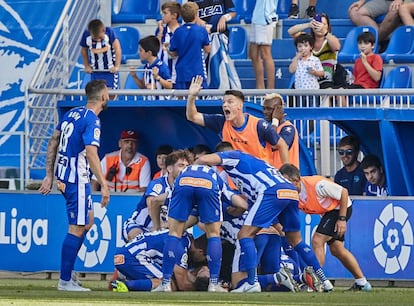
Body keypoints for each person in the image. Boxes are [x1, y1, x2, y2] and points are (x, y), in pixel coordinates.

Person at [195, 149, 333, 293]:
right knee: (296, 240)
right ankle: (324, 280)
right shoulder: (254, 168)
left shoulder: (234, 156)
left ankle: (252, 282)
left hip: (270, 192)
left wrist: (192, 170)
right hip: (290, 192)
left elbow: (204, 160)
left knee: (244, 235)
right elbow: (247, 206)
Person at [39, 80, 110, 291]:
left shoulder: (72, 113)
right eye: (108, 93)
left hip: (64, 175)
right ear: (103, 97)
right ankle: (64, 281)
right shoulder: (92, 121)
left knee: (87, 222)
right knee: (77, 227)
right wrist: (104, 185)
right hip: (76, 178)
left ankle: (68, 275)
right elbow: (91, 153)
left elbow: (53, 141)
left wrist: (49, 175)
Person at [279, 163, 373, 291]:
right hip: (329, 212)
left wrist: (342, 219)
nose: (283, 186)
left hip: (340, 209)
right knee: (337, 249)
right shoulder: (291, 193)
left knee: (317, 240)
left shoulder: (318, 185)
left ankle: (316, 281)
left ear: (296, 181)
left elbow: (344, 193)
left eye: (286, 182)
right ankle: (362, 283)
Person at [153, 164, 244, 292]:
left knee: (174, 234)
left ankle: (165, 283)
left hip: (184, 183)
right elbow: (241, 204)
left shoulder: (183, 175)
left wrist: (157, 226)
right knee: (213, 235)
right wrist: (236, 211)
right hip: (208, 185)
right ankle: (213, 284)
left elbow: (155, 201)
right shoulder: (214, 175)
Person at [186, 75, 289, 165]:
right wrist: (192, 96)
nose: (225, 105)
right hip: (233, 180)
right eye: (224, 102)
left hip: (257, 177)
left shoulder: (259, 125)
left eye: (230, 102)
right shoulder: (221, 122)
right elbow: (192, 116)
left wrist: (286, 173)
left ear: (240, 105)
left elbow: (282, 145)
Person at [122, 149, 194, 242]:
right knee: (137, 238)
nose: (185, 169)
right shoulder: (158, 184)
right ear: (169, 168)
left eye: (187, 166)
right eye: (181, 165)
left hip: (166, 229)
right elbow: (151, 202)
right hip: (140, 225)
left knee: (190, 244)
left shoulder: (187, 188)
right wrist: (160, 227)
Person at [111, 229, 209, 292]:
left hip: (125, 255)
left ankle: (123, 279)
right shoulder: (181, 247)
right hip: (132, 257)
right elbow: (182, 284)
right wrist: (203, 286)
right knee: (167, 284)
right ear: (200, 252)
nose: (201, 262)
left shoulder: (183, 237)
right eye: (204, 259)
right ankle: (125, 285)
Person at [288, 13, 342, 89]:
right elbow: (291, 31)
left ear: (328, 27)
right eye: (318, 23)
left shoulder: (330, 39)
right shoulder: (307, 41)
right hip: (306, 80)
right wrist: (309, 25)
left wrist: (325, 32)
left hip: (325, 80)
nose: (320, 26)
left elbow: (337, 47)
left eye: (324, 24)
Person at [169, 2, 211, 89]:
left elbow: (173, 53)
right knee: (200, 98)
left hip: (181, 71)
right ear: (196, 15)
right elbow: (208, 49)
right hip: (197, 71)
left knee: (181, 98)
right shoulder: (201, 31)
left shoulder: (178, 31)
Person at [337, 31, 383, 106]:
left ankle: (343, 116)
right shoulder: (358, 61)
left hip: (367, 88)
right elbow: (355, 79)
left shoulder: (376, 58)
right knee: (334, 92)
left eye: (366, 43)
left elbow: (377, 77)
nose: (362, 46)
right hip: (357, 86)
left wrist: (365, 62)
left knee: (341, 92)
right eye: (360, 43)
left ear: (373, 45)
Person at [80, 19, 121, 94]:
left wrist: (117, 66)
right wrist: (86, 66)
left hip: (109, 71)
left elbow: (117, 48)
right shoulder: (86, 35)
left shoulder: (109, 32)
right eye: (95, 38)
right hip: (95, 71)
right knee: (96, 94)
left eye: (100, 37)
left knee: (110, 94)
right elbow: (83, 50)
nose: (98, 40)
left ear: (103, 30)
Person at [262, 93, 299, 169]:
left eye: (269, 109)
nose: (265, 112)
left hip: (286, 176)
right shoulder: (268, 126)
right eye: (264, 108)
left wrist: (275, 120)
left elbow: (274, 144)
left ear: (279, 110)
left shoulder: (288, 128)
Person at [249, 0, 278, 89]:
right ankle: (260, 87)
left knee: (265, 53)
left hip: (266, 17)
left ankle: (270, 90)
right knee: (253, 53)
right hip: (257, 16)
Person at [156, 1, 181, 83]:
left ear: (174, 15)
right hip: (163, 70)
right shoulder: (161, 30)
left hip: (177, 70)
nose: (162, 16)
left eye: (165, 13)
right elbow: (155, 49)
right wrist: (160, 31)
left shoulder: (182, 31)